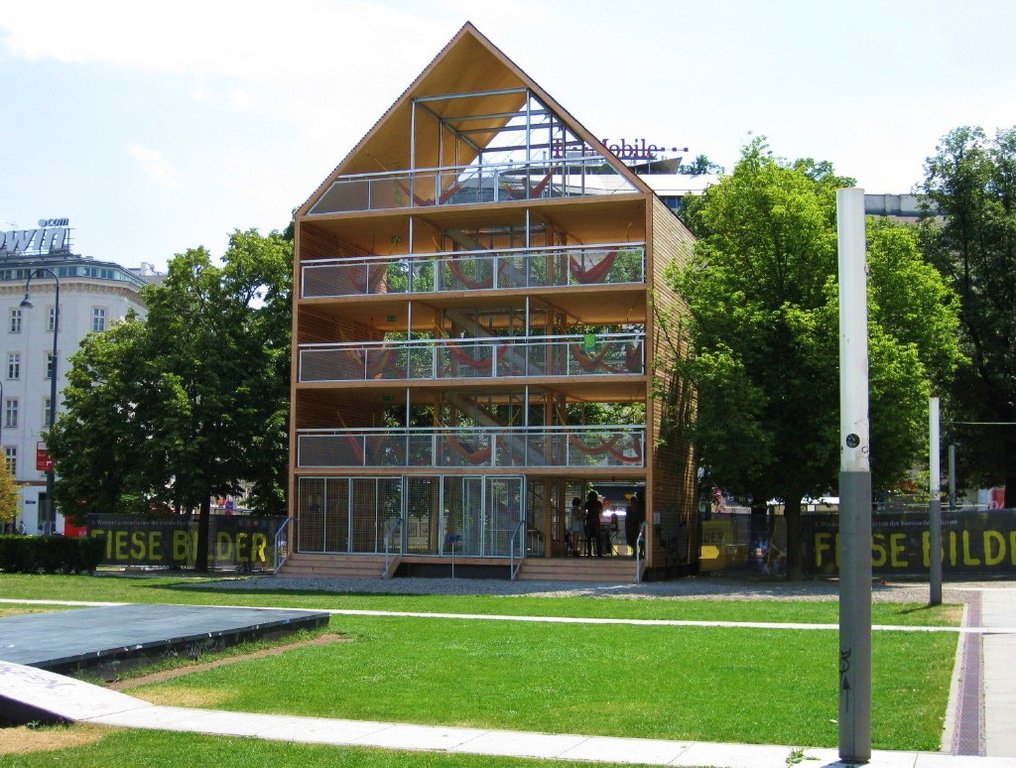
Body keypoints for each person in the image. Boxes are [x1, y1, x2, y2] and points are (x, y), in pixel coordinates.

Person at [626, 488, 645, 559]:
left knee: (637, 538)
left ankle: (637, 552)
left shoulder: (636, 505)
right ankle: (641, 552)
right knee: (640, 538)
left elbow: (630, 516)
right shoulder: (643, 504)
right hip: (640, 523)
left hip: (636, 524)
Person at [583, 490, 603, 557]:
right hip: (596, 520)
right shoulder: (598, 503)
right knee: (598, 537)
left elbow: (584, 510)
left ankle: (589, 553)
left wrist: (587, 514)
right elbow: (601, 511)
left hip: (589, 521)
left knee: (589, 538)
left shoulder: (587, 503)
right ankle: (599, 553)